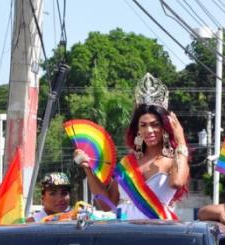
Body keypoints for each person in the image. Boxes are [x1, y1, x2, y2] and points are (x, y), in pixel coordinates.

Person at [76, 74, 189, 220]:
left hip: (158, 231)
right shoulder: (127, 163)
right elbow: (108, 204)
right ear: (138, 130)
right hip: (125, 232)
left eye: (155, 124)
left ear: (164, 128)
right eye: (143, 125)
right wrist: (88, 170)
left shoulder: (173, 162)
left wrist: (180, 140)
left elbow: (177, 182)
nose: (149, 130)